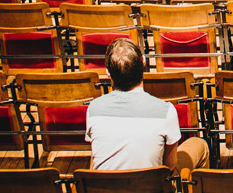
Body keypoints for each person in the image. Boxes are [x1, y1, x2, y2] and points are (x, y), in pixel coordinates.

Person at [85, 38, 209, 172]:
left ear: (108, 72)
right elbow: (170, 165)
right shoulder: (166, 111)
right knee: (199, 144)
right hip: (153, 186)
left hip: (103, 186)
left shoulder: (94, 109)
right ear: (143, 61)